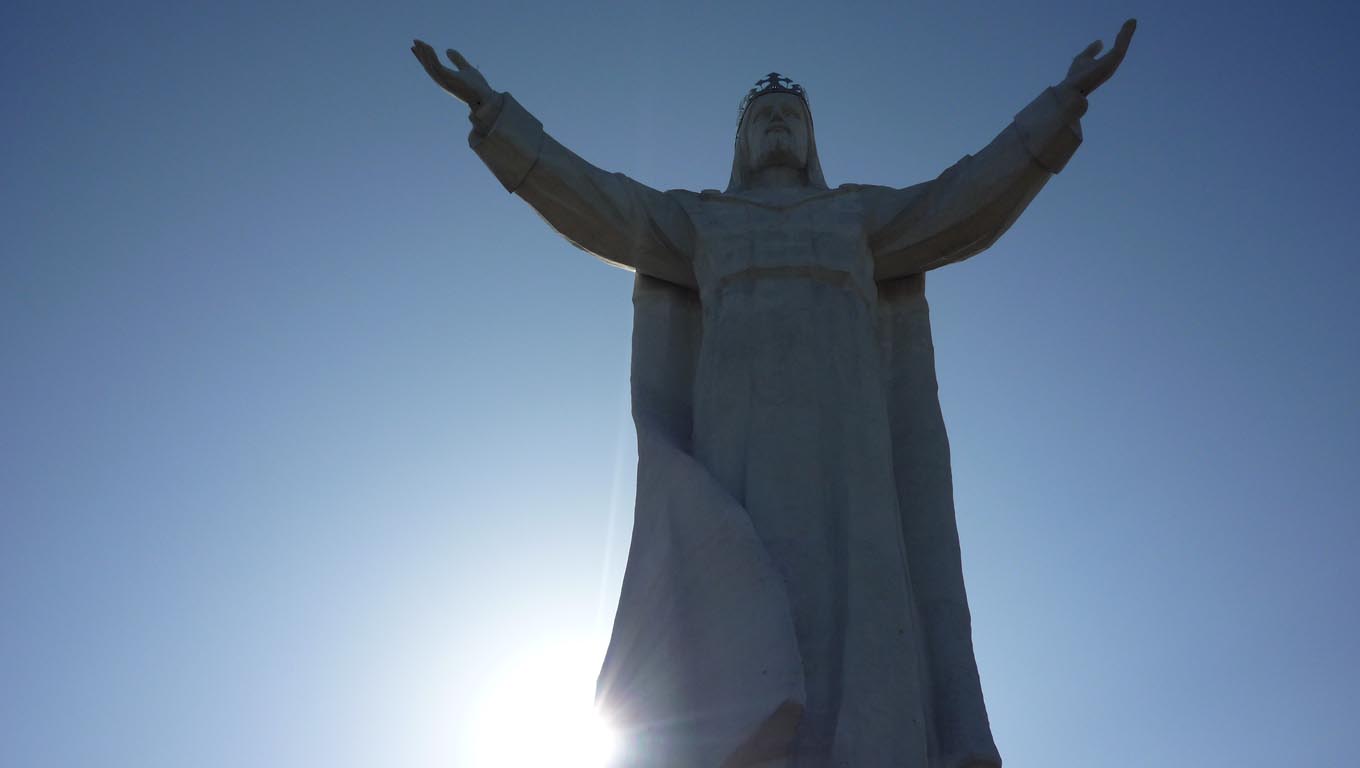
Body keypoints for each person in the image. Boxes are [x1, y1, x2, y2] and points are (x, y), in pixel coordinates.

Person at [413, 21, 1134, 768]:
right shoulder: (703, 219)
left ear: (812, 139)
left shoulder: (856, 214)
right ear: (742, 142)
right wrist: (497, 118)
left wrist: (1060, 106)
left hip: (847, 433)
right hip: (737, 431)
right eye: (764, 117)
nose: (778, 123)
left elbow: (963, 202)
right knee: (743, 583)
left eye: (791, 115)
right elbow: (599, 202)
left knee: (861, 599)